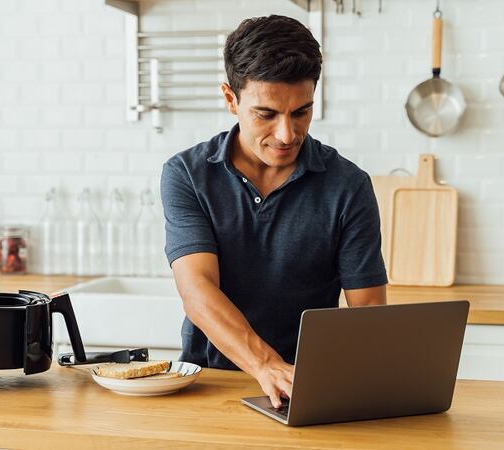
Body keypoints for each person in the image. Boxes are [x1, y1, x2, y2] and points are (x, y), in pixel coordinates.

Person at [160, 14, 388, 409]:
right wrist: (266, 365)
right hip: (212, 382)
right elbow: (197, 289)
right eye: (266, 114)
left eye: (301, 112)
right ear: (231, 99)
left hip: (309, 384)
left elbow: (367, 310)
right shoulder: (188, 175)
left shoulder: (349, 185)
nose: (287, 134)